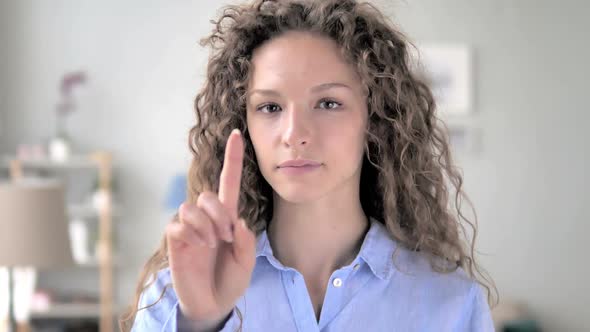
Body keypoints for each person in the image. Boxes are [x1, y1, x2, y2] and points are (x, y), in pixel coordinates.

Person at [120, 0, 498, 331]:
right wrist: (201, 324)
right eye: (270, 107)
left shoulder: (450, 304)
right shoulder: (182, 295)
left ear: (376, 119)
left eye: (329, 103)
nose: (295, 133)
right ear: (244, 124)